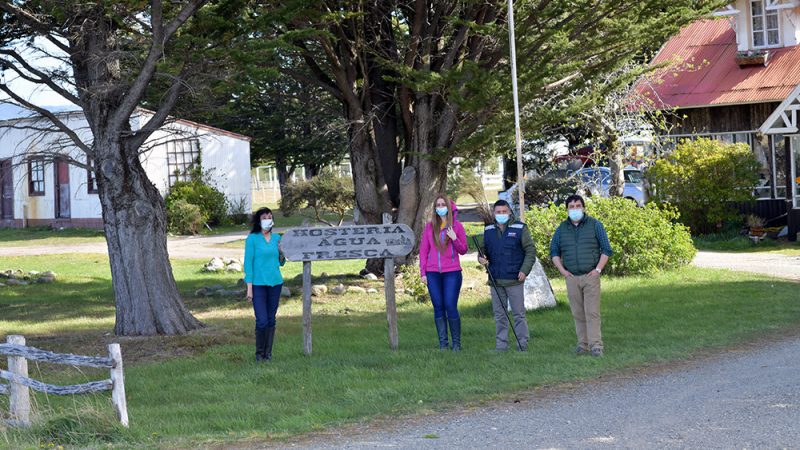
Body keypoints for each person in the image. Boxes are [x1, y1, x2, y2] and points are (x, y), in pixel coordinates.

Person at [549, 194, 613, 357]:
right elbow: (554, 252)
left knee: (592, 312)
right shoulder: (562, 229)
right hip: (572, 278)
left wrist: (598, 270)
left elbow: (606, 249)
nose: (575, 209)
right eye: (571, 207)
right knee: (578, 312)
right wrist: (563, 271)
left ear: (583, 208)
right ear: (567, 210)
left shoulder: (594, 225)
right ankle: (583, 344)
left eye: (578, 206)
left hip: (590, 275)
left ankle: (596, 345)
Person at [478, 200, 537, 351]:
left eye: (504, 211)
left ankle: (522, 344)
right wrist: (481, 258)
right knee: (500, 316)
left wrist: (524, 270)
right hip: (495, 280)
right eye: (498, 212)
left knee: (519, 315)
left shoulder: (520, 228)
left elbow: (530, 251)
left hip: (514, 279)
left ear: (509, 212)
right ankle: (501, 346)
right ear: (494, 213)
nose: (501, 214)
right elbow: (483, 251)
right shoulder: (489, 229)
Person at [419, 196, 468, 350]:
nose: (440, 207)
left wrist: (454, 238)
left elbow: (464, 250)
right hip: (432, 273)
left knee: (450, 305)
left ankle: (456, 344)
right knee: (438, 306)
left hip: (452, 273)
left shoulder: (457, 227)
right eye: (437, 205)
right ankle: (443, 344)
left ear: (448, 207)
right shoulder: (429, 227)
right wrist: (423, 273)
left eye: (443, 204)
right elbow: (423, 251)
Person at [244, 207, 286, 362]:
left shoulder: (277, 239)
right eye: (264, 217)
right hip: (258, 284)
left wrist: (282, 252)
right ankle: (259, 354)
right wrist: (249, 287)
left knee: (271, 319)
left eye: (270, 216)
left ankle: (268, 354)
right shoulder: (252, 239)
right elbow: (248, 263)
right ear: (259, 220)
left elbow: (281, 263)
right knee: (261, 320)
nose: (268, 219)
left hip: (275, 283)